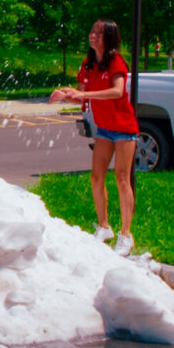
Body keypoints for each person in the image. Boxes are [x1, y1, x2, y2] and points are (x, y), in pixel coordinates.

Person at [49, 19, 138, 256]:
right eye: (92, 31)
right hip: (105, 129)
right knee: (96, 177)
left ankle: (126, 236)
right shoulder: (88, 64)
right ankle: (104, 226)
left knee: (122, 177)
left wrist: (84, 93)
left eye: (99, 33)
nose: (93, 35)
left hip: (124, 127)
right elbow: (81, 97)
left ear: (109, 37)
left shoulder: (116, 62)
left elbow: (118, 91)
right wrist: (65, 95)